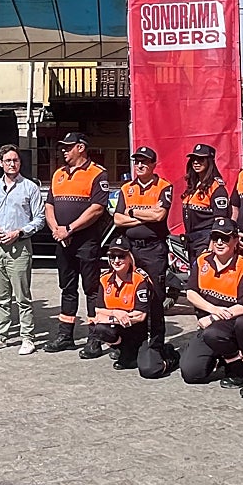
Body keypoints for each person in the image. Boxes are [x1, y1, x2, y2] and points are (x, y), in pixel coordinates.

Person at [181, 217, 243, 397]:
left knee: (216, 333)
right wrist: (213, 310)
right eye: (215, 238)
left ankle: (239, 369)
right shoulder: (202, 261)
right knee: (191, 373)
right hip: (210, 324)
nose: (219, 242)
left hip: (234, 325)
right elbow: (191, 293)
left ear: (235, 241)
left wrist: (214, 317)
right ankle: (223, 357)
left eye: (225, 238)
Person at [44, 131, 110, 356]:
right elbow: (49, 205)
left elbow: (97, 209)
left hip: (86, 241)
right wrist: (56, 229)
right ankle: (65, 335)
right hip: (62, 241)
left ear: (81, 148)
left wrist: (70, 229)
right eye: (63, 146)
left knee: (91, 289)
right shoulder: (58, 174)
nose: (64, 150)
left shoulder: (97, 173)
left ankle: (94, 337)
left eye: (68, 146)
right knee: (67, 288)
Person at [0, 144, 45, 354]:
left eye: (15, 160)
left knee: (22, 297)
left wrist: (20, 232)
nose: (12, 164)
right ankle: (1, 335)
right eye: (8, 161)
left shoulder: (30, 188)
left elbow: (39, 219)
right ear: (1, 163)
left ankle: (27, 338)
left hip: (19, 247)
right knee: (1, 296)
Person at [114, 146, 174, 354]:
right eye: (137, 161)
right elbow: (117, 219)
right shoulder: (126, 188)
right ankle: (133, 345)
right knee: (131, 295)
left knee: (155, 297)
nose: (139, 165)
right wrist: (144, 216)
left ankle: (156, 346)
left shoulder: (164, 186)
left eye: (144, 161)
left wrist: (131, 211)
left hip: (154, 250)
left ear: (153, 164)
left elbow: (159, 216)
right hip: (131, 249)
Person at [88, 235, 151, 371]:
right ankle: (120, 348)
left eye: (121, 256)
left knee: (147, 366)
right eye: (112, 256)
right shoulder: (104, 279)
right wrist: (116, 313)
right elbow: (98, 310)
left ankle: (167, 356)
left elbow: (140, 315)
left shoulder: (139, 279)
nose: (116, 261)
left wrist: (110, 317)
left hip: (135, 329)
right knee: (100, 329)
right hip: (119, 324)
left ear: (129, 258)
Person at [181, 143, 232, 259]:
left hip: (205, 240)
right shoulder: (193, 185)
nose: (196, 162)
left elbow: (220, 221)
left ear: (209, 161)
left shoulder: (217, 188)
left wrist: (211, 246)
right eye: (193, 159)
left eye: (200, 159)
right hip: (191, 240)